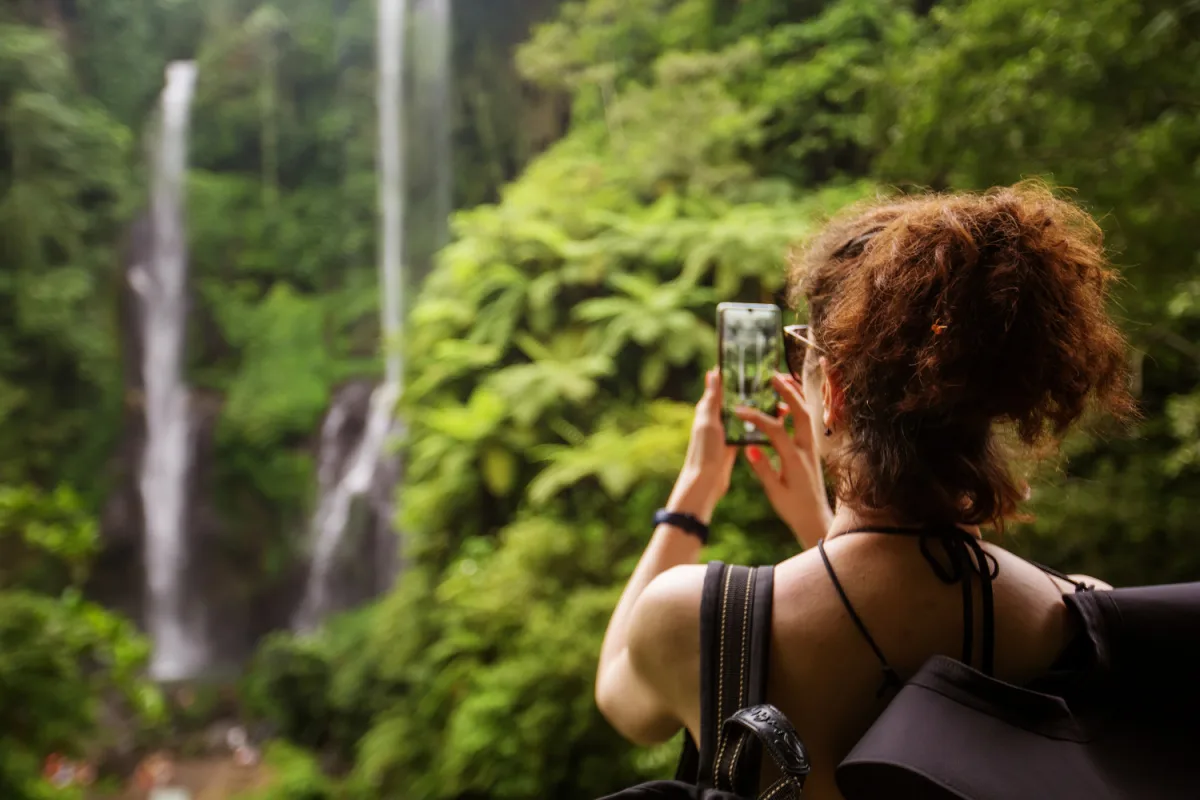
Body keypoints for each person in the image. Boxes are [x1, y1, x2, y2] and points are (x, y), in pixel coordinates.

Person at [595, 183, 1132, 799]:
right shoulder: (1090, 621)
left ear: (839, 392)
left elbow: (619, 696)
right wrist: (818, 525)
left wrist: (693, 496)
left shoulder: (706, 619)